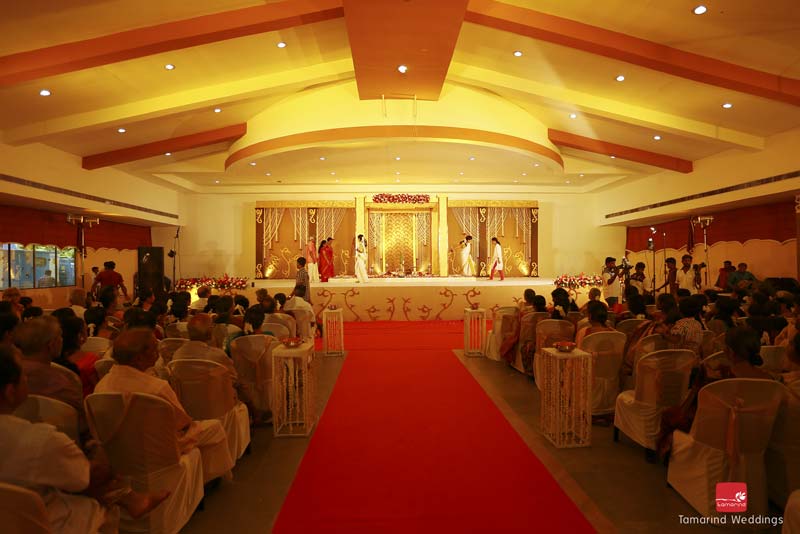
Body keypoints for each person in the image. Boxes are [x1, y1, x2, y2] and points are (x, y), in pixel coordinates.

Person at [0, 345, 170, 533]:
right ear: (10, 392)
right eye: (24, 376)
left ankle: (132, 500)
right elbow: (86, 480)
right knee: (97, 471)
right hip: (47, 524)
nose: (28, 379)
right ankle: (132, 500)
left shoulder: (39, 439)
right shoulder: (41, 440)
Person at [95, 329, 234, 482]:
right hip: (159, 451)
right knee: (214, 427)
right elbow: (183, 423)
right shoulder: (157, 388)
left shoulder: (101, 386)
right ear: (139, 358)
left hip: (120, 452)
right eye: (154, 349)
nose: (158, 353)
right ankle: (207, 480)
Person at [14, 317, 83, 414]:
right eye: (60, 336)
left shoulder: (7, 375)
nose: (62, 340)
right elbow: (78, 419)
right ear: (52, 345)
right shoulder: (68, 380)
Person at [172, 315, 237, 382]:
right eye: (212, 326)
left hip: (185, 389)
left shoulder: (177, 354)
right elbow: (233, 379)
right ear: (210, 331)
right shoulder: (218, 355)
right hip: (214, 388)